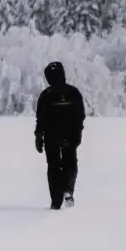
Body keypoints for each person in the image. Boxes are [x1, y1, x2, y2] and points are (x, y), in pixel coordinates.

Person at [34, 61, 84, 210]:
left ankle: (56, 201)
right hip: (71, 135)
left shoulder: (46, 95)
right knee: (70, 163)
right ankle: (68, 190)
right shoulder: (74, 93)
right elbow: (80, 115)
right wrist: (78, 132)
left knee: (53, 167)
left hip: (51, 137)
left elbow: (40, 118)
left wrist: (38, 135)